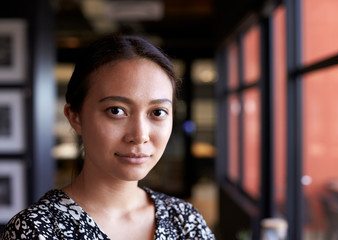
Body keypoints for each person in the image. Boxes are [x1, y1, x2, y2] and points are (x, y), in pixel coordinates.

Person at [1, 35, 215, 240]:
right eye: (116, 110)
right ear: (75, 117)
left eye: (157, 112)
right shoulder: (37, 230)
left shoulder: (185, 220)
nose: (140, 135)